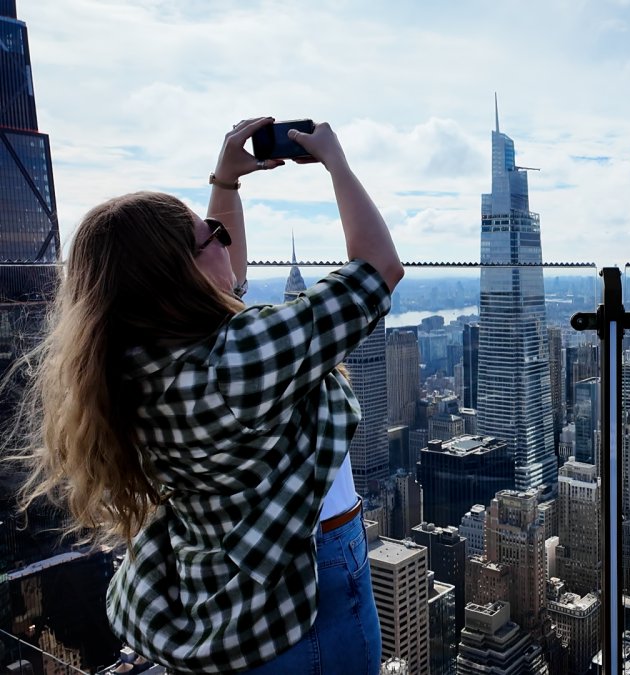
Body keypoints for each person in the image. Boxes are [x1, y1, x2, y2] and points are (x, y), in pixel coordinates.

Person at [16, 117, 404, 674]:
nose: (224, 241)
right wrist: (336, 163)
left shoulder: (128, 364)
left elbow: (225, 289)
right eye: (211, 237)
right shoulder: (238, 362)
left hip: (221, 595)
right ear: (180, 273)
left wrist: (225, 185)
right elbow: (378, 269)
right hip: (309, 583)